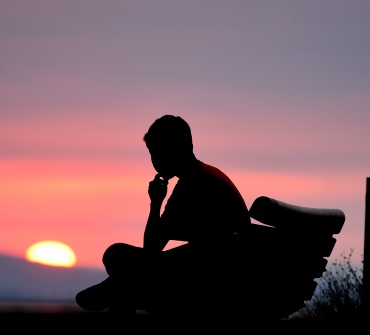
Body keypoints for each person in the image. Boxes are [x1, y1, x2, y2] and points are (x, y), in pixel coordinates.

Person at [76, 114, 251, 315]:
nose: (156, 160)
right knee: (121, 268)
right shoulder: (202, 176)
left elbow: (152, 248)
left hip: (213, 276)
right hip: (216, 268)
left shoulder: (194, 184)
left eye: (160, 152)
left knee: (117, 256)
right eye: (153, 154)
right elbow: (156, 246)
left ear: (183, 148)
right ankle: (114, 289)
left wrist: (155, 203)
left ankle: (113, 292)